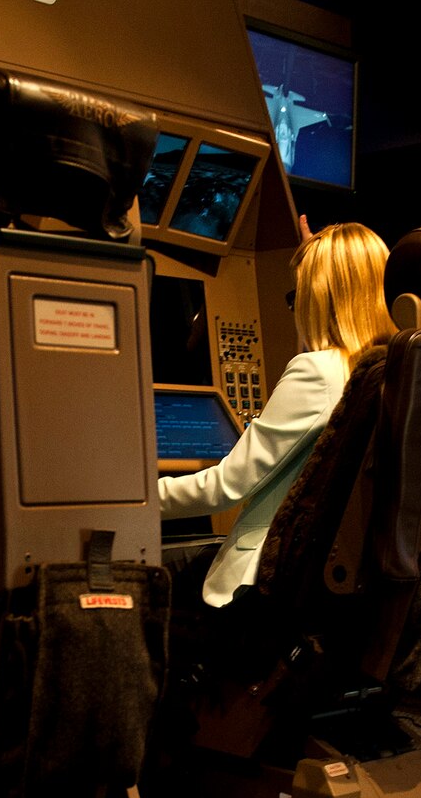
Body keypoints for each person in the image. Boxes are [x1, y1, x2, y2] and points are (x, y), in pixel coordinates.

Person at [159, 221, 397, 606]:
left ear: (318, 298)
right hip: (335, 580)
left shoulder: (317, 371)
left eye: (297, 296)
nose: (294, 309)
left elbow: (226, 487)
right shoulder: (394, 370)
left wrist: (138, 501)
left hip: (261, 584)